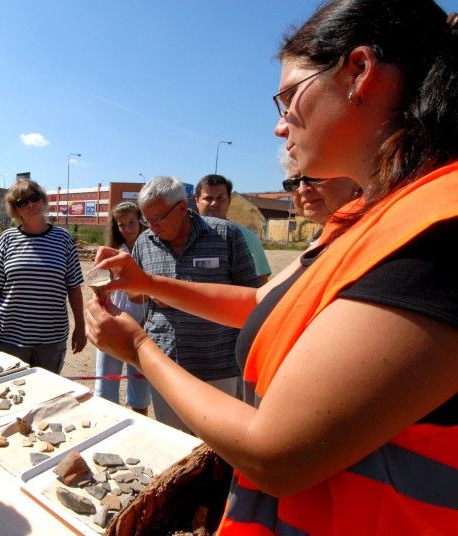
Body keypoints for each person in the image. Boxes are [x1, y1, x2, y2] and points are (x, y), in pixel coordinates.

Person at [86, 1, 458, 533]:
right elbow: (263, 304)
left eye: (288, 97)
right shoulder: (370, 215)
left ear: (359, 72)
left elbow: (273, 455)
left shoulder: (438, 229)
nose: (281, 128)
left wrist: (138, 350)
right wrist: (148, 284)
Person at [131, 176, 259, 430]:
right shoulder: (144, 242)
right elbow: (134, 294)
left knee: (218, 447)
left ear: (181, 209)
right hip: (167, 365)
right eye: (147, 219)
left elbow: (251, 295)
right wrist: (152, 293)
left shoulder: (226, 235)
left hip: (217, 364)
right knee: (175, 444)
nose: (152, 227)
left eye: (157, 218)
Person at [0, 178, 86, 373]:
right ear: (15, 210)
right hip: (11, 337)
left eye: (34, 197)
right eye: (22, 202)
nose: (30, 204)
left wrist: (80, 327)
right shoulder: (6, 239)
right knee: (12, 391)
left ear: (43, 199)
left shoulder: (63, 239)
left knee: (47, 394)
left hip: (51, 338)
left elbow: (74, 287)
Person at [93, 202, 150, 415]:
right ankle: (109, 424)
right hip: (114, 319)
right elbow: (97, 281)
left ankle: (139, 426)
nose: (127, 229)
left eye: (132, 223)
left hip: (143, 322)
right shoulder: (112, 252)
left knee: (140, 385)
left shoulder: (152, 249)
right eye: (122, 224)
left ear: (140, 222)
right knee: (106, 380)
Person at [194, 174, 272, 283]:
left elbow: (261, 282)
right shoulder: (183, 236)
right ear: (196, 201)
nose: (214, 203)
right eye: (208, 198)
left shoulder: (247, 238)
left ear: (229, 201)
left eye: (220, 198)